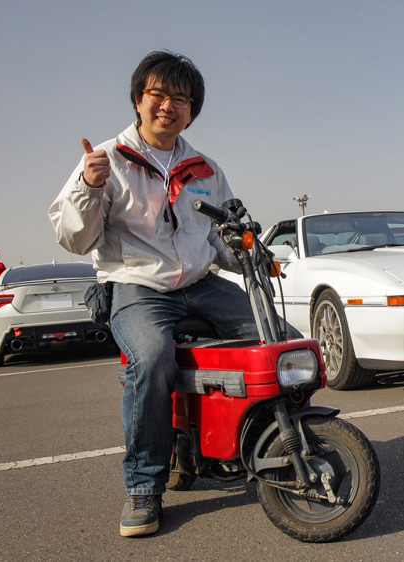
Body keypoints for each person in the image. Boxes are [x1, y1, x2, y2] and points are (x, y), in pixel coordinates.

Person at [49, 50, 301, 538]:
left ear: (192, 109)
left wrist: (256, 255)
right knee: (151, 358)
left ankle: (277, 443)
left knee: (280, 342)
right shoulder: (106, 160)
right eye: (158, 95)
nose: (168, 106)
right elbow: (75, 239)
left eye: (180, 99)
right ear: (138, 100)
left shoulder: (204, 168)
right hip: (137, 286)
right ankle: (144, 485)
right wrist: (86, 186)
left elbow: (219, 235)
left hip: (200, 284)